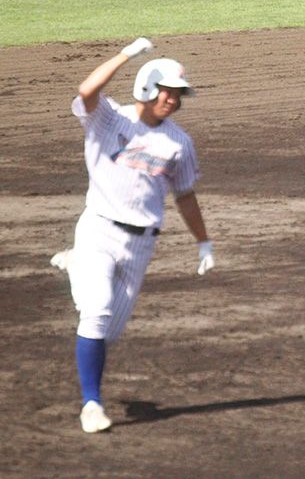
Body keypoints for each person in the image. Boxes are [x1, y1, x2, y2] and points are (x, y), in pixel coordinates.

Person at [50, 37, 215, 433]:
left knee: (107, 332)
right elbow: (87, 90)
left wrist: (203, 241)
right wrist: (128, 54)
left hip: (141, 243)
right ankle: (92, 404)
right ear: (146, 86)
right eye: (167, 92)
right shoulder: (110, 119)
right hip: (99, 229)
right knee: (97, 310)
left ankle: (76, 267)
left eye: (178, 96)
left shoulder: (179, 142)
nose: (173, 101)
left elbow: (186, 195)